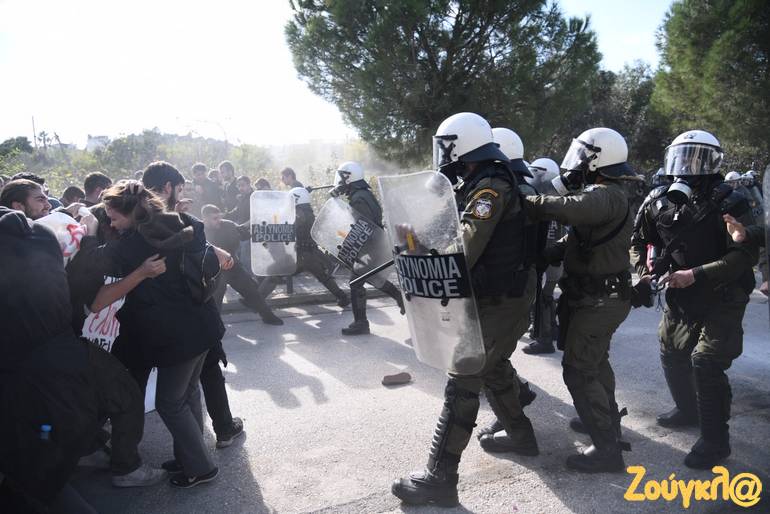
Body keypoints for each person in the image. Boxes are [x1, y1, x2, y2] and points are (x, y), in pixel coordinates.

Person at [392, 113, 539, 507]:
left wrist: (420, 249)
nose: (443, 153)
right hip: (498, 296)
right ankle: (522, 437)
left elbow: (464, 250)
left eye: (447, 145)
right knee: (492, 367)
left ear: (463, 146)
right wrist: (416, 238)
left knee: (463, 378)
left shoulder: (490, 188)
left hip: (502, 299)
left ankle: (440, 478)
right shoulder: (478, 183)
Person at [0, 205, 165, 514]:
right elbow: (92, 291)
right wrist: (90, 236)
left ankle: (90, 450)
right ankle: (123, 465)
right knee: (122, 396)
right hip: (62, 351)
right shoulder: (42, 237)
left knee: (41, 454)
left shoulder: (36, 241)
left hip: (29, 364)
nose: (45, 204)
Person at [630, 130, 758, 469]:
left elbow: (744, 256)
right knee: (671, 350)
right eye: (683, 156)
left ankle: (715, 442)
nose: (688, 164)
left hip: (723, 293)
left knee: (706, 361)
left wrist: (696, 274)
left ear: (713, 161)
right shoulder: (659, 199)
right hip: (681, 292)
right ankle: (687, 411)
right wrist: (643, 272)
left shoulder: (732, 200)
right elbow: (639, 241)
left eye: (696, 157)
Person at [96, 172, 227, 487]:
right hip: (203, 325)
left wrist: (86, 230)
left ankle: (201, 467)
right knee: (188, 394)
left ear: (130, 212)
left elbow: (98, 298)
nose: (110, 224)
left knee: (170, 402)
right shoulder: (182, 222)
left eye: (114, 217)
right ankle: (189, 458)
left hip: (175, 337)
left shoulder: (129, 247)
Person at [524, 127, 637, 473]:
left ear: (597, 160)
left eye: (582, 156)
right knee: (596, 364)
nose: (575, 163)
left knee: (579, 370)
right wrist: (549, 253)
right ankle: (606, 423)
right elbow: (578, 239)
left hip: (600, 299)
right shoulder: (604, 195)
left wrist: (526, 199)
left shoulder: (606, 195)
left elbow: (570, 210)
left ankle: (606, 450)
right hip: (596, 296)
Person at [473, 127, 541, 449]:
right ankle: (517, 404)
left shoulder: (506, 189)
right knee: (494, 361)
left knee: (488, 362)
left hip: (507, 289)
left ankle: (519, 432)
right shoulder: (519, 186)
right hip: (510, 286)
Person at [331, 161, 404, 335]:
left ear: (348, 178)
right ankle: (400, 298)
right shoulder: (362, 194)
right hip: (374, 245)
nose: (339, 182)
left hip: (371, 246)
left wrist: (349, 245)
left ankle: (361, 323)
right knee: (373, 278)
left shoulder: (358, 199)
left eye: (341, 178)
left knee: (356, 282)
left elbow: (363, 226)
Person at [257, 188, 351, 308]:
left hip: (302, 254)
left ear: (297, 199)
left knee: (276, 274)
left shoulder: (300, 213)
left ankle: (256, 301)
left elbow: (289, 229)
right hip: (310, 253)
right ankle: (342, 297)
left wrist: (272, 239)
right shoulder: (307, 211)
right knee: (323, 277)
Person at [202, 203, 283, 325]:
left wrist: (247, 231)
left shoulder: (228, 225)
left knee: (252, 290)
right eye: (215, 218)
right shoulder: (199, 230)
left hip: (233, 266)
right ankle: (212, 326)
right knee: (216, 297)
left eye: (219, 217)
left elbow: (245, 236)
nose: (219, 220)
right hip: (214, 270)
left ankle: (268, 317)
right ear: (205, 218)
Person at [522, 158, 566, 355]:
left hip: (548, 259)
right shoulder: (558, 200)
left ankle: (544, 339)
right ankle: (553, 329)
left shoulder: (543, 202)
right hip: (555, 259)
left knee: (542, 299)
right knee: (546, 297)